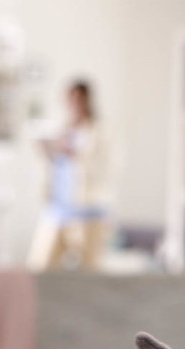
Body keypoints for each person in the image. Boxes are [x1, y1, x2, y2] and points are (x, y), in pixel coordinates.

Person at [28, 80, 113, 271]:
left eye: (79, 99)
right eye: (70, 99)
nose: (75, 104)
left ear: (88, 100)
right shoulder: (62, 131)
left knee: (90, 273)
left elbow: (107, 170)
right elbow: (52, 169)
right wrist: (48, 152)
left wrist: (74, 155)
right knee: (39, 268)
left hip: (90, 214)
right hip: (57, 211)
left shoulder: (102, 132)